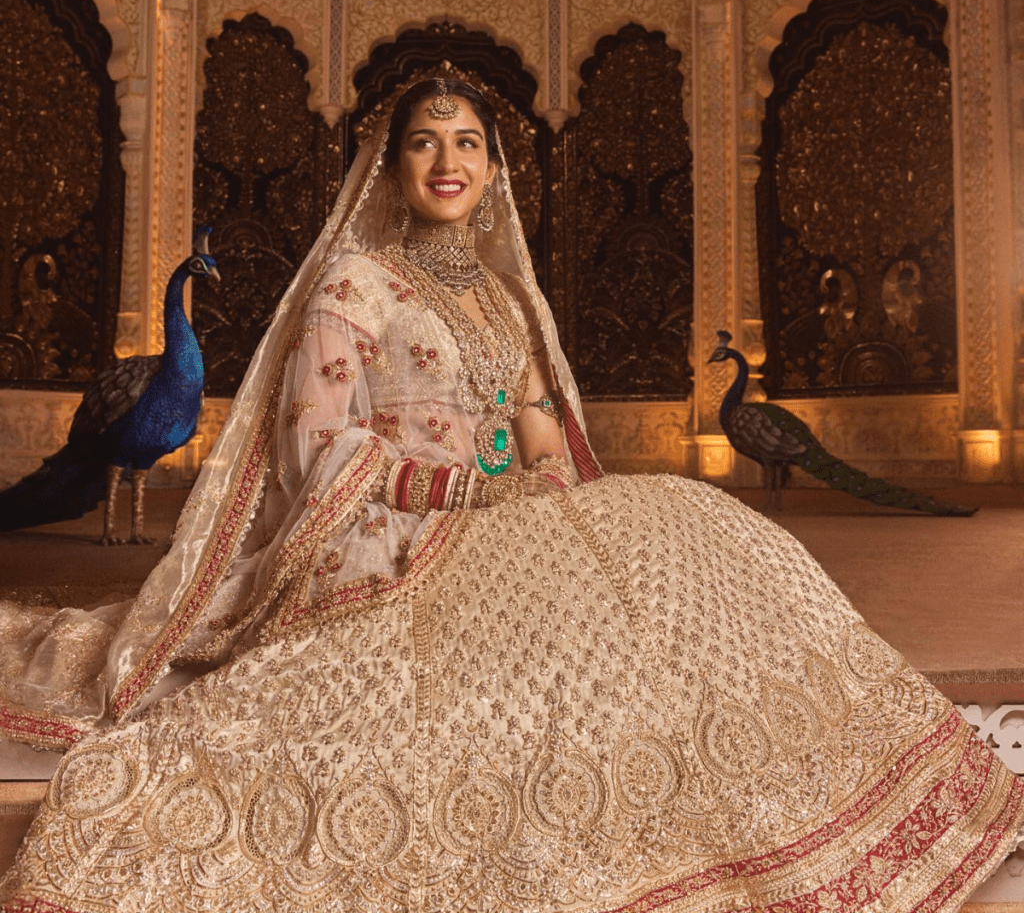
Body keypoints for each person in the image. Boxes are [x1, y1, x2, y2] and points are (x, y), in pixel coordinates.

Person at [1, 78, 1021, 913]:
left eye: (468, 143)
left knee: (687, 526)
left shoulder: (497, 293)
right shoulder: (355, 282)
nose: (447, 161)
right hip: (382, 541)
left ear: (493, 170)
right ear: (391, 166)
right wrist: (462, 485)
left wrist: (552, 489)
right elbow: (316, 446)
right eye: (423, 142)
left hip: (502, 519)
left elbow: (536, 420)